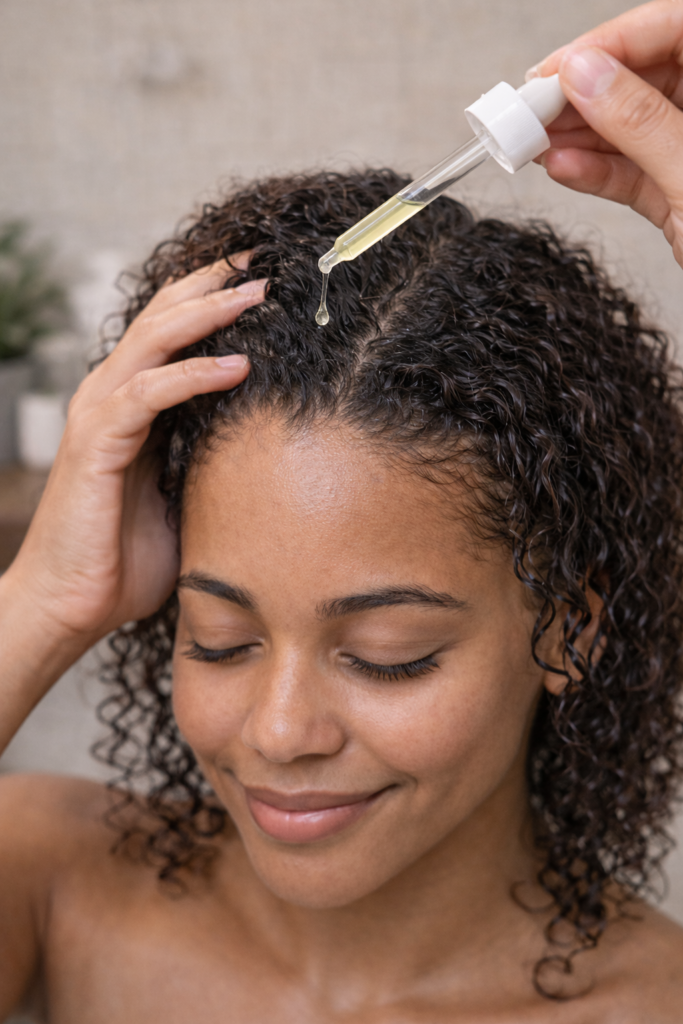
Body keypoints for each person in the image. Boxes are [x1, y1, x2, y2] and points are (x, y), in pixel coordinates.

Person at [1, 0, 683, 1018]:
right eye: (219, 640)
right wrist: (43, 601)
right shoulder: (48, 881)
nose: (281, 733)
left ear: (568, 627)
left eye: (387, 654)